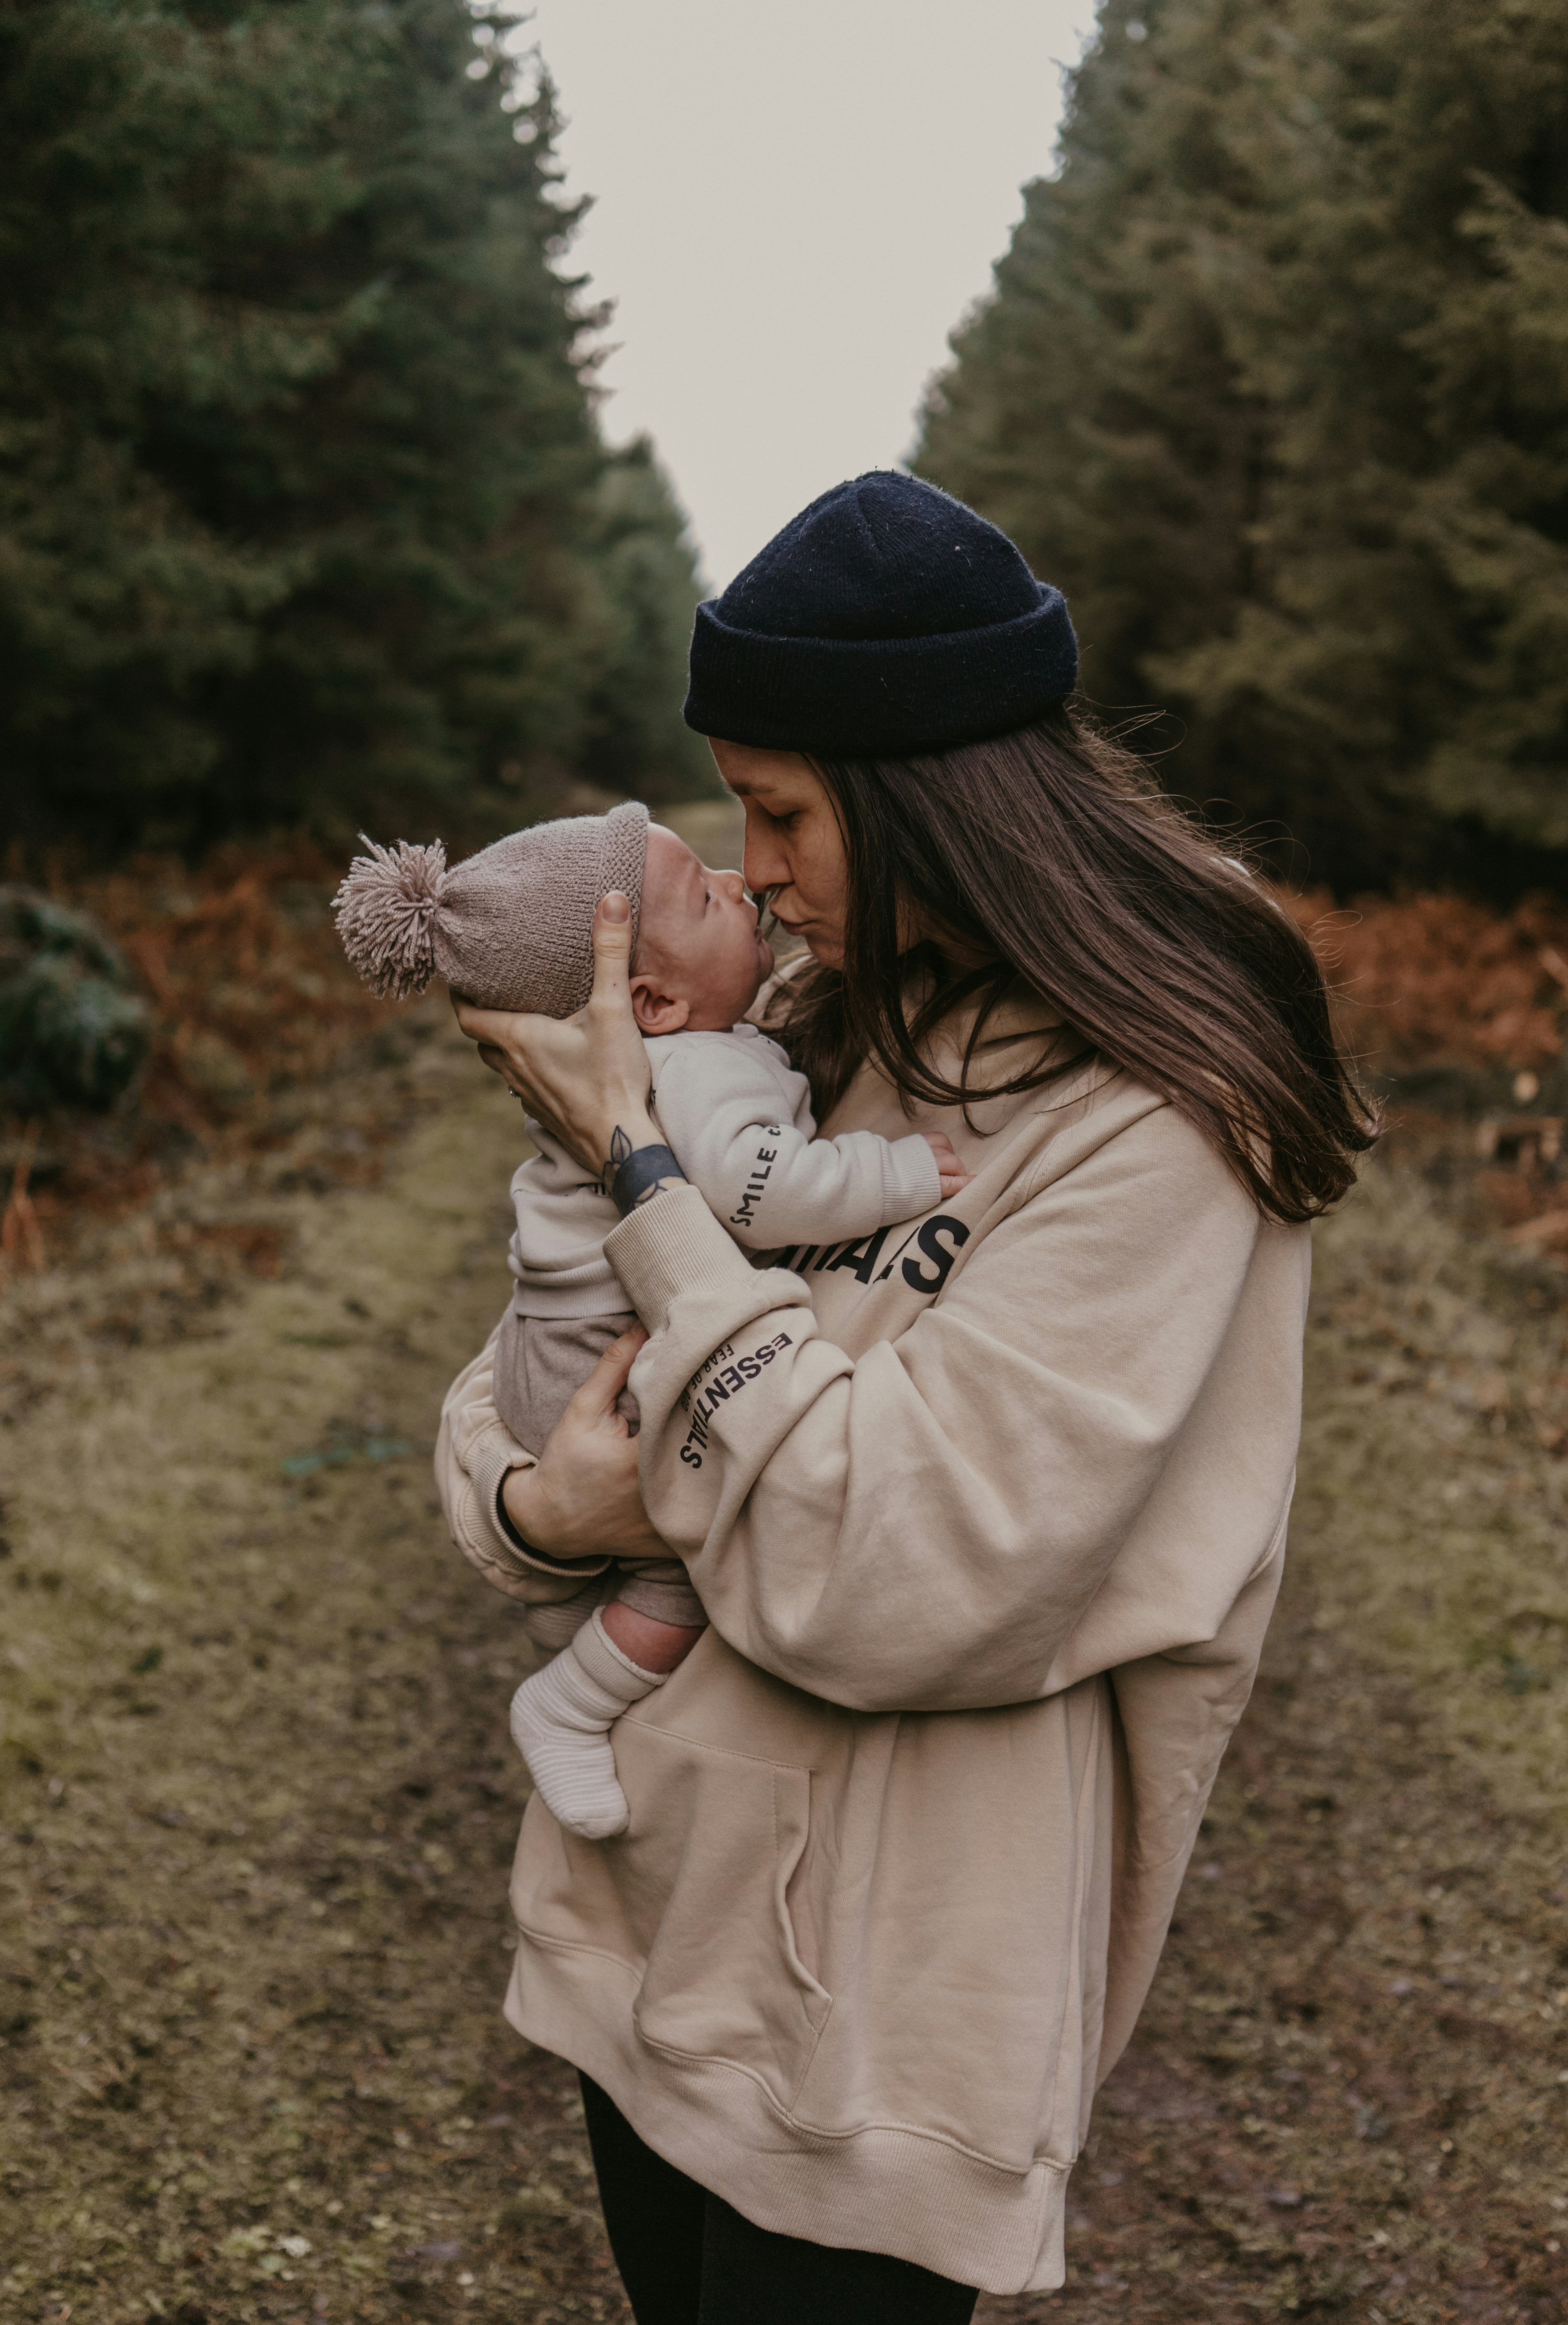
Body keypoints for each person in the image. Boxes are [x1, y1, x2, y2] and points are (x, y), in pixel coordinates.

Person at [433, 472, 1375, 2321]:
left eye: (780, 810)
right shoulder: (806, 1024)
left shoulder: (1156, 1119)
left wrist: (640, 1176)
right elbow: (523, 1400)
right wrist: (547, 1512)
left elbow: (909, 1562)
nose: (751, 863)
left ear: (925, 792)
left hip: (885, 2025)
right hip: (652, 1929)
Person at [334, 806, 964, 1840]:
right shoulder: (696, 1067)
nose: (739, 873)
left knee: (642, 1554)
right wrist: (890, 1171)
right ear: (653, 1000)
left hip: (550, 1346)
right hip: (597, 1353)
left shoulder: (688, 1052)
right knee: (676, 1568)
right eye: (709, 895)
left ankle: (578, 1639)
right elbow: (760, 1188)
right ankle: (571, 1705)